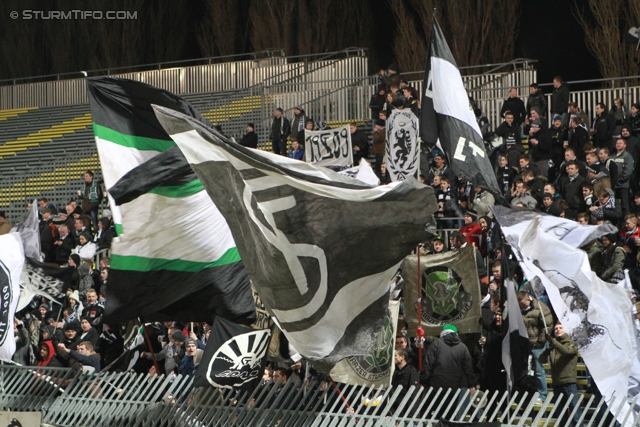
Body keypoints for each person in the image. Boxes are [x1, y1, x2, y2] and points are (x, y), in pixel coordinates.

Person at [421, 324, 476, 420]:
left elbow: (428, 364)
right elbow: (468, 368)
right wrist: (472, 384)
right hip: (454, 386)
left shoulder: (436, 343)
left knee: (427, 413)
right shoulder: (462, 347)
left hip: (435, 385)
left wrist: (423, 381)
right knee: (448, 415)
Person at [518, 291, 553, 404]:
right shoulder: (519, 309)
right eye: (520, 305)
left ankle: (542, 395)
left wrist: (540, 341)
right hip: (524, 343)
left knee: (539, 370)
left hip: (537, 343)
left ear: (528, 299)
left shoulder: (540, 307)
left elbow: (548, 325)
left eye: (523, 304)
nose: (522, 306)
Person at [547, 322, 583, 427]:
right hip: (557, 383)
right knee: (561, 415)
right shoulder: (554, 345)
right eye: (556, 329)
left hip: (568, 383)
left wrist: (553, 341)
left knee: (575, 414)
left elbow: (567, 351)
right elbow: (542, 358)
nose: (558, 330)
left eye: (560, 328)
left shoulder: (571, 342)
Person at [391, 348, 420, 414]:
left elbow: (413, 394)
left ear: (402, 357)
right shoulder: (396, 372)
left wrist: (410, 413)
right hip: (396, 410)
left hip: (407, 411)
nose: (393, 358)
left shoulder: (411, 372)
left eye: (395, 355)